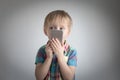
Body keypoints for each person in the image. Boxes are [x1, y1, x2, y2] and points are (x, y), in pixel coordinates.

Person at [35, 10, 77, 80]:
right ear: (45, 31)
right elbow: (39, 77)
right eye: (51, 28)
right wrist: (48, 57)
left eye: (61, 28)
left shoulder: (72, 52)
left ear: (68, 32)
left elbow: (69, 78)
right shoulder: (42, 50)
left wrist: (60, 55)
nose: (57, 31)